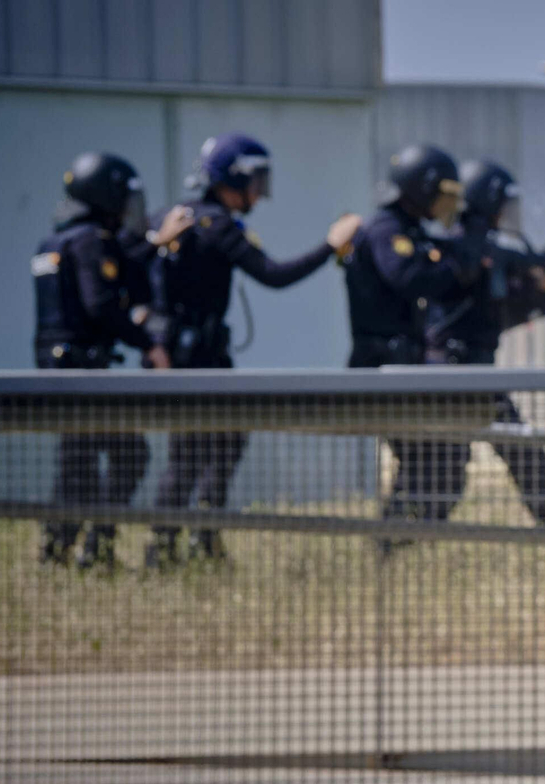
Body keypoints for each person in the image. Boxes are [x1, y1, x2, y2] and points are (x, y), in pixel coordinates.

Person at [143, 132, 362, 568]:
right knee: (195, 452)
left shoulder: (170, 217)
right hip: (198, 359)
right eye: (256, 181)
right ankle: (168, 547)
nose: (259, 194)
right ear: (234, 178)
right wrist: (330, 246)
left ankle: (190, 542)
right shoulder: (215, 224)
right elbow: (273, 275)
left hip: (188, 355)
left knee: (217, 443)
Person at [33, 152, 186, 569]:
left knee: (77, 464)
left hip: (60, 369)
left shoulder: (57, 240)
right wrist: (147, 342)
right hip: (81, 371)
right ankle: (95, 547)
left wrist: (153, 245)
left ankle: (57, 550)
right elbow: (100, 304)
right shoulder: (88, 241)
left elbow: (120, 270)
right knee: (129, 453)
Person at [342, 144, 482, 540]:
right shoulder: (386, 230)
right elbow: (411, 279)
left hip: (402, 367)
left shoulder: (411, 231)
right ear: (421, 189)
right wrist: (459, 270)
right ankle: (391, 545)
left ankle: (397, 547)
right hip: (383, 368)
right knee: (431, 462)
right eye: (442, 193)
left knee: (436, 463)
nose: (446, 204)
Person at [422, 158, 545, 527]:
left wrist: (538, 286)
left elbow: (494, 310)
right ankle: (391, 542)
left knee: (516, 455)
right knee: (442, 475)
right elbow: (476, 307)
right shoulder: (464, 250)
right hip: (457, 376)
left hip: (471, 375)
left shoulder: (481, 248)